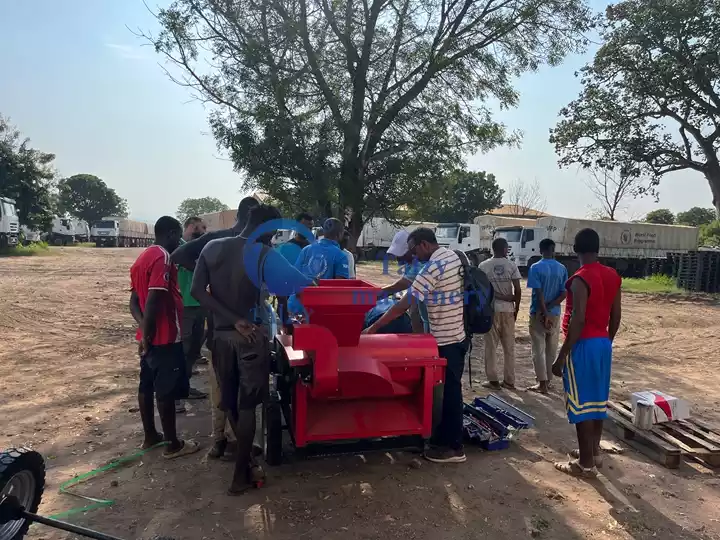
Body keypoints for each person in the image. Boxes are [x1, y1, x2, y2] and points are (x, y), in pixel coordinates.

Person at [191, 203, 313, 494]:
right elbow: (302, 285)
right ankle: (239, 475)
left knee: (230, 401)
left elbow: (196, 292)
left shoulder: (211, 248)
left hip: (219, 336)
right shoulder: (264, 254)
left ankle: (245, 465)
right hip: (250, 338)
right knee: (248, 407)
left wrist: (231, 319)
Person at [363, 228, 468, 464]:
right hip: (455, 335)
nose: (412, 255)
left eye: (413, 250)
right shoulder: (450, 256)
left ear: (423, 245)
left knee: (450, 394)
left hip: (445, 339)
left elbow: (405, 302)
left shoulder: (433, 267)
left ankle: (453, 448)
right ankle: (439, 438)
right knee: (449, 391)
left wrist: (373, 328)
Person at [171, 197, 259, 457]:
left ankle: (221, 439)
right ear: (251, 217)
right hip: (231, 327)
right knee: (235, 387)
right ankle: (230, 441)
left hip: (223, 325)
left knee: (221, 384)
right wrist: (204, 276)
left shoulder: (228, 241)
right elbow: (178, 255)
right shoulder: (222, 241)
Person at [552, 228, 621, 478]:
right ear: (598, 248)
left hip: (583, 345)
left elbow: (577, 320)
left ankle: (585, 464)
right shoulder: (612, 275)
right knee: (597, 401)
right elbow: (616, 316)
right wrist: (606, 342)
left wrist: (561, 357)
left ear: (575, 249)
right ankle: (594, 452)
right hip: (603, 343)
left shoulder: (580, 279)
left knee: (580, 404)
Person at [128, 216, 200, 459]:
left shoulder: (143, 257)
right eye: (177, 236)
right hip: (165, 337)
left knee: (146, 385)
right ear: (170, 234)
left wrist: (143, 331)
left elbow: (133, 301)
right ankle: (173, 445)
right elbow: (154, 299)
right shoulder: (163, 257)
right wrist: (149, 333)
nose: (179, 241)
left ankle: (150, 436)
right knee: (166, 391)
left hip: (148, 337)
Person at [479, 237, 522, 390]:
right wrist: (516, 308)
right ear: (505, 249)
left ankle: (493, 380)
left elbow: (481, 290)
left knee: (490, 347)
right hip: (508, 310)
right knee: (509, 348)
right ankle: (509, 381)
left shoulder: (483, 266)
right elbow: (517, 289)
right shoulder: (511, 265)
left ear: (492, 249)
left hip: (491, 312)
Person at [527, 239, 568, 394]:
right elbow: (564, 292)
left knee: (538, 348)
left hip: (538, 313)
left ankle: (542, 383)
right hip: (555, 314)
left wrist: (544, 312)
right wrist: (550, 309)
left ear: (540, 250)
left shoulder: (535, 267)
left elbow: (538, 293)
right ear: (553, 249)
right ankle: (549, 381)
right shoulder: (562, 268)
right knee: (551, 348)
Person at [176, 216, 208, 412]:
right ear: (191, 227)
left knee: (193, 351)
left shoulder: (197, 249)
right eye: (200, 228)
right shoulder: (179, 246)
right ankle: (176, 396)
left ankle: (185, 388)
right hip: (185, 306)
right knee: (182, 351)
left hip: (199, 304)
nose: (203, 232)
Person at [289, 218, 350, 317]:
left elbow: (293, 277)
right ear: (339, 234)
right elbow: (340, 288)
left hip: (295, 307)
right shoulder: (341, 256)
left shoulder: (306, 249)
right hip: (318, 312)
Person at [382, 230, 429, 333]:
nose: (398, 258)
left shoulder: (421, 264)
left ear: (412, 250)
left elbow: (401, 285)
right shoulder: (409, 263)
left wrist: (375, 294)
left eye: (401, 255)